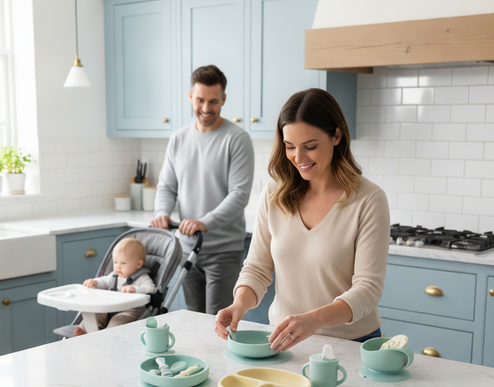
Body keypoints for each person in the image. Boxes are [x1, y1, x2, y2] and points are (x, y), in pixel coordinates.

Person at [215, 88, 390, 351]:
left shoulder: (368, 200)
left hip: (352, 345)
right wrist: (239, 302)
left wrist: (314, 320)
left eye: (310, 146)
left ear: (336, 136)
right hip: (286, 342)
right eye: (290, 147)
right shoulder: (275, 194)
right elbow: (257, 268)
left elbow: (368, 289)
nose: (299, 157)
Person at [151, 65, 254, 315]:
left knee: (217, 321)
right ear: (190, 97)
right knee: (193, 320)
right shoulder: (178, 138)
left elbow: (239, 195)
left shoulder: (237, 139)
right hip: (186, 248)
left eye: (213, 102)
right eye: (200, 100)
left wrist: (204, 223)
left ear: (224, 100)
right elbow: (167, 186)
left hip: (223, 250)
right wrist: (162, 211)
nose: (206, 109)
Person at [74, 238, 156, 336]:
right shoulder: (114, 275)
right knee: (95, 313)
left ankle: (109, 335)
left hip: (131, 310)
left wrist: (135, 289)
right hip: (111, 307)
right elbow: (104, 281)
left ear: (138, 264)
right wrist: (95, 282)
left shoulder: (142, 277)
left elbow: (152, 289)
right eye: (115, 262)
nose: (118, 266)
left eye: (123, 263)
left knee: (118, 320)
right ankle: (84, 331)